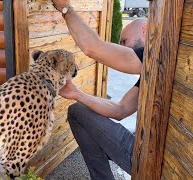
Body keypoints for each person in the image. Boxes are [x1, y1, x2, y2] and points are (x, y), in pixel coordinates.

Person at [52, 0, 147, 179]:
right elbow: (120, 110)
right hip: (144, 148)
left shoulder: (156, 54)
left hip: (151, 158)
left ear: (145, 30)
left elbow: (93, 48)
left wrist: (66, 8)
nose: (124, 48)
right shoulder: (153, 72)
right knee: (77, 111)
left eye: (125, 41)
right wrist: (77, 94)